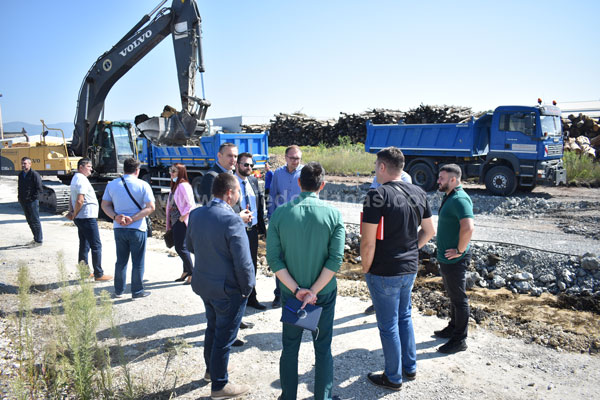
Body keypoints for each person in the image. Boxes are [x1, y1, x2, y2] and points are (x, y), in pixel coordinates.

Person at [266, 162, 345, 400]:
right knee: (323, 348)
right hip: (323, 294)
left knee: (290, 347)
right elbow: (336, 259)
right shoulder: (334, 215)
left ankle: (288, 396)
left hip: (292, 295)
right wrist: (313, 292)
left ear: (299, 183)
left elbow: (273, 259)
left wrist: (298, 290)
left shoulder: (280, 213)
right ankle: (323, 397)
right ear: (323, 185)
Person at [361, 147, 435, 391]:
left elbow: (368, 241)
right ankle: (409, 367)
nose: (375, 170)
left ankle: (393, 377)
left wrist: (366, 268)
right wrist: (411, 250)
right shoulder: (419, 192)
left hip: (385, 270)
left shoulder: (376, 195)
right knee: (404, 317)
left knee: (388, 325)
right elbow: (429, 231)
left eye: (376, 166)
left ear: (382, 167)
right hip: (409, 268)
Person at [186, 173, 255, 400]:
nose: (239, 196)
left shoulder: (196, 214)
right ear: (229, 193)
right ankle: (219, 385)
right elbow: (244, 263)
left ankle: (212, 370)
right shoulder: (232, 220)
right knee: (224, 337)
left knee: (213, 327)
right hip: (227, 289)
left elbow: (190, 246)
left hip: (204, 284)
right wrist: (247, 289)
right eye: (238, 192)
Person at [434, 163, 475, 354]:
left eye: (441, 178)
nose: (438, 181)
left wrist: (459, 250)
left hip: (455, 259)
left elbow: (468, 227)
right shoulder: (449, 195)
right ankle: (453, 327)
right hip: (447, 258)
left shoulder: (460, 199)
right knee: (452, 296)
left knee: (459, 299)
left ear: (453, 179)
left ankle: (459, 340)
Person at [101, 158, 155, 299]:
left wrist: (116, 217)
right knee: (138, 262)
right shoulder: (143, 185)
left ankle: (118, 291)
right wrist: (133, 218)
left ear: (123, 169)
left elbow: (105, 205)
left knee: (121, 261)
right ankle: (137, 292)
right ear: (137, 170)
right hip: (137, 228)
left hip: (119, 227)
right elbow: (150, 207)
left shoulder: (112, 185)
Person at [364, 169, 413, 315]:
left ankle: (397, 307)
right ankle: (377, 303)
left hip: (396, 227)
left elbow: (403, 201)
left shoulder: (405, 177)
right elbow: (372, 193)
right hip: (380, 225)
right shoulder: (378, 177)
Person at [267, 145, 303, 308]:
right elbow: (272, 195)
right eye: (293, 158)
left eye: (298, 158)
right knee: (280, 260)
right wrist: (271, 219)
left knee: (297, 261)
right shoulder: (278, 174)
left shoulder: (305, 173)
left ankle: (297, 294)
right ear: (286, 157)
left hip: (299, 225)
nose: (296, 161)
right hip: (281, 225)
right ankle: (279, 295)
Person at [66, 158, 112, 281]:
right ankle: (99, 274)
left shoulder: (76, 178)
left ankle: (84, 272)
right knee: (96, 245)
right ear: (81, 167)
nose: (91, 169)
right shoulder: (81, 179)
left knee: (84, 245)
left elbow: (72, 198)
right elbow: (80, 200)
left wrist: (72, 212)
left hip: (82, 217)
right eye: (89, 166)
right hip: (86, 216)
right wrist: (74, 213)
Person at [233, 153, 267, 310]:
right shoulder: (230, 182)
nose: (249, 168)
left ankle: (252, 297)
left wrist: (261, 228)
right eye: (245, 164)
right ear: (237, 165)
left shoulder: (253, 181)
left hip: (252, 231)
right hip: (237, 231)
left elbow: (259, 205)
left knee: (252, 265)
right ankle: (237, 300)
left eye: (251, 165)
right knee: (237, 266)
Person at [166, 163, 196, 285]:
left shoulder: (183, 185)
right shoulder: (176, 185)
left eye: (174, 171)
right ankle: (186, 271)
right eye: (170, 170)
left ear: (181, 173)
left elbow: (190, 204)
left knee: (180, 248)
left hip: (181, 221)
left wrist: (182, 218)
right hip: (175, 220)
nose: (171, 173)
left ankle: (192, 273)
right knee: (183, 247)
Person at [17, 157, 43, 246]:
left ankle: (39, 240)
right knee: (29, 221)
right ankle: (35, 239)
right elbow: (20, 187)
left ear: (30, 164)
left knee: (35, 220)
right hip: (24, 201)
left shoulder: (34, 174)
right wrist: (19, 197)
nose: (23, 165)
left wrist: (33, 198)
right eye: (22, 163)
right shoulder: (21, 174)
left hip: (32, 201)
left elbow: (39, 189)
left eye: (25, 163)